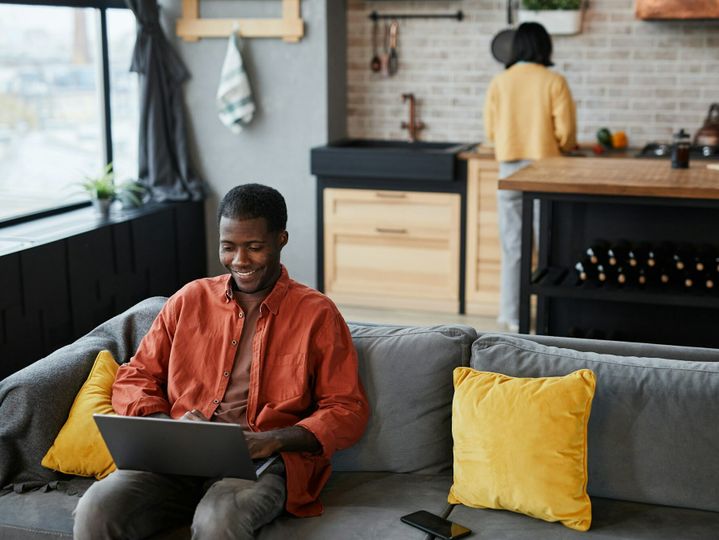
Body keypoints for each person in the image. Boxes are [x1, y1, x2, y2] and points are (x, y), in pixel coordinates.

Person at [74, 183, 370, 539]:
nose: (240, 260)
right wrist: (168, 425)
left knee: (218, 521)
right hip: (176, 458)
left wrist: (271, 440)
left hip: (260, 463)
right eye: (228, 247)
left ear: (282, 239)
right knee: (97, 508)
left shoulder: (317, 314)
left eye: (254, 247)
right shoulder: (189, 300)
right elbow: (134, 378)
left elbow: (346, 409)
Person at [484, 22, 577, 332]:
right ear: (544, 47)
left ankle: (511, 316)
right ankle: (548, 318)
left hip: (509, 170)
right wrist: (559, 145)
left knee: (513, 246)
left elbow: (490, 131)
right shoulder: (554, 81)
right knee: (549, 247)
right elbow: (566, 135)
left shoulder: (500, 81)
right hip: (545, 172)